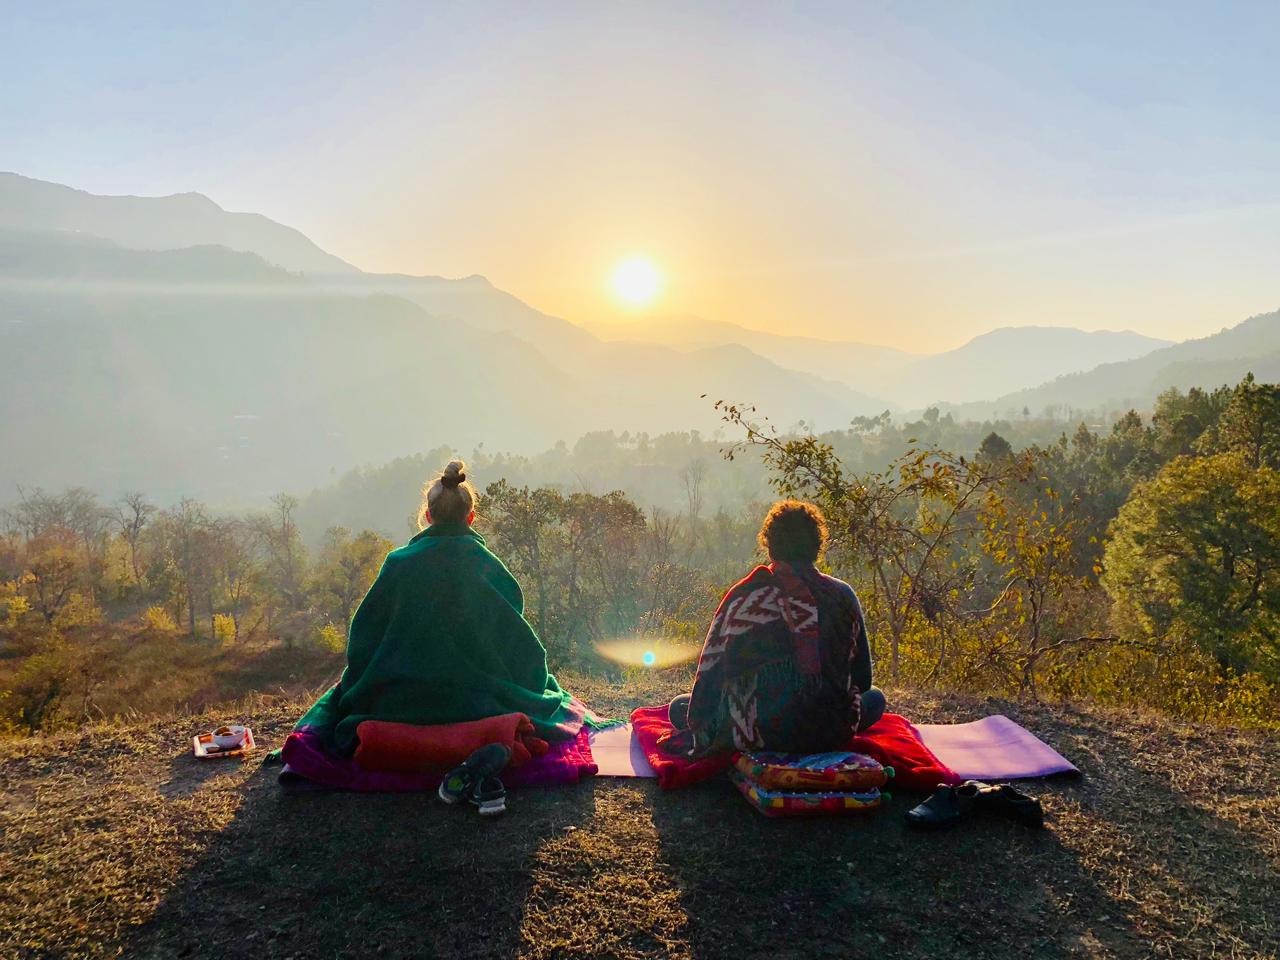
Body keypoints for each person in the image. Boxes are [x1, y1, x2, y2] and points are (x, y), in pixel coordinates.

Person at [291, 459, 588, 755]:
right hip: (481, 703)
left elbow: (363, 643)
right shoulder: (488, 567)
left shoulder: (398, 564)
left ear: (427, 515)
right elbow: (520, 648)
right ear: (470, 518)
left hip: (399, 703)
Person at [660, 499, 886, 758]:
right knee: (876, 698)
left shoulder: (744, 597)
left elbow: (711, 680)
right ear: (817, 545)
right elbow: (863, 680)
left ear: (770, 545)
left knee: (680, 706)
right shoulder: (842, 595)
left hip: (751, 731)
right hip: (826, 732)